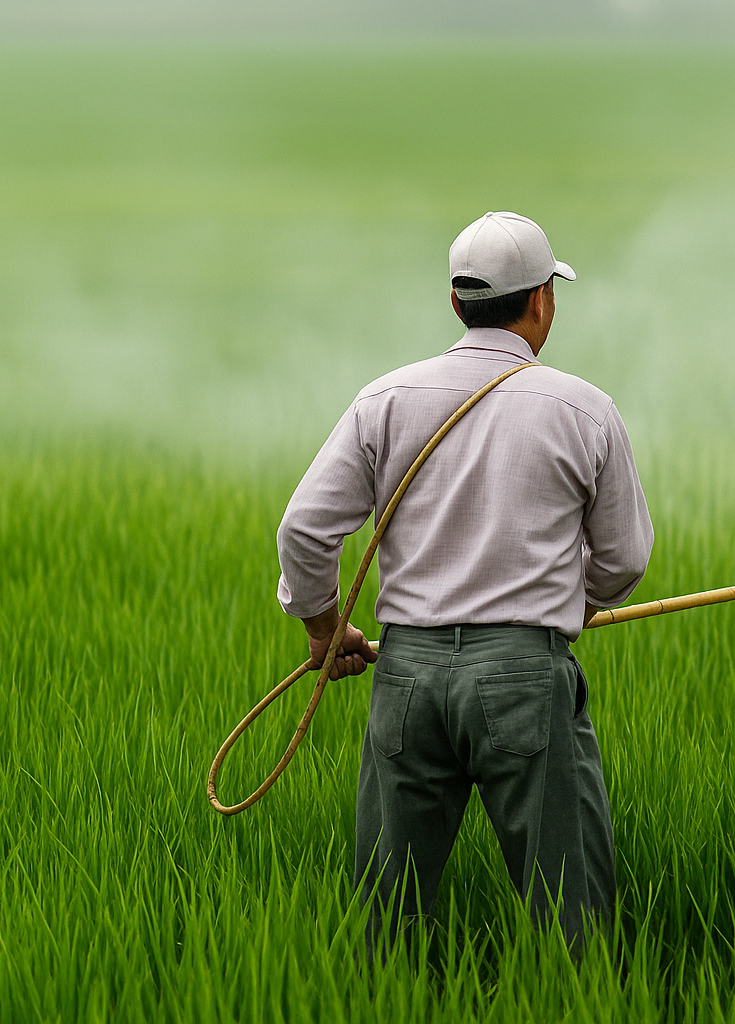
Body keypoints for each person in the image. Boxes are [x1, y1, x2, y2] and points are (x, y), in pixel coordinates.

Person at [274, 211, 653, 955]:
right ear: (542, 300)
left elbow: (303, 531)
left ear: (456, 302)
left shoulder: (385, 399)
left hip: (405, 679)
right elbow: (624, 559)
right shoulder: (585, 410)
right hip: (522, 677)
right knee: (570, 916)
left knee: (385, 924)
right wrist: (561, 607)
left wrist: (324, 630)